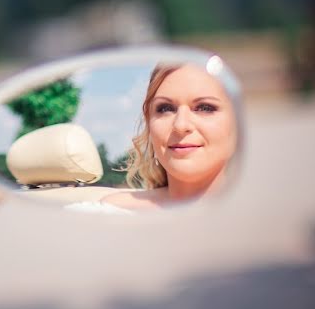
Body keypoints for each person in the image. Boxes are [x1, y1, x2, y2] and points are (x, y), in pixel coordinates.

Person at [96, 62, 237, 212]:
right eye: (165, 108)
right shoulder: (112, 210)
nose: (180, 125)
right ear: (149, 122)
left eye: (205, 108)